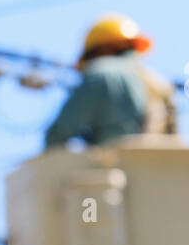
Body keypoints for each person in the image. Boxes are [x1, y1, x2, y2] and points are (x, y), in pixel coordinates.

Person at [44, 15, 176, 149]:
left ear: (101, 50)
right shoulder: (160, 84)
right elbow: (174, 144)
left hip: (113, 164)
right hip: (150, 165)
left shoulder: (99, 74)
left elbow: (58, 134)